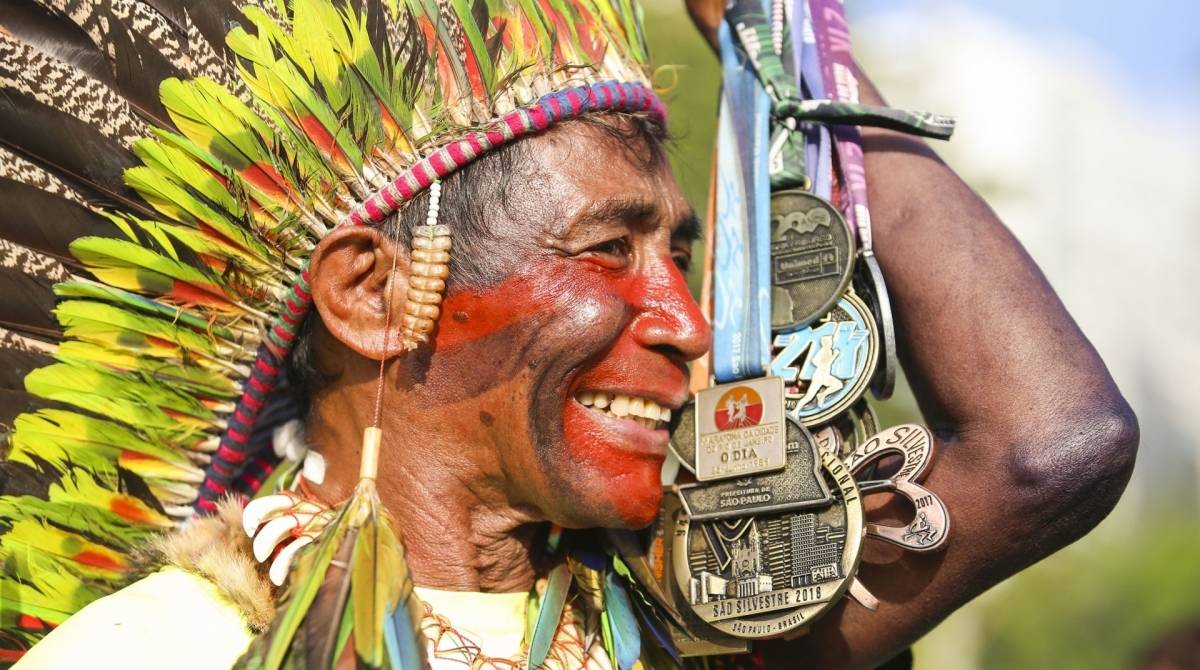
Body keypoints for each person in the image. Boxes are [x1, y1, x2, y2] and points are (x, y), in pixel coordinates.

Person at [0, 0, 1137, 668]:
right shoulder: (157, 651)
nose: (688, 323)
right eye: (608, 250)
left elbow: (1049, 447)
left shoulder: (690, 616)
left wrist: (771, 36)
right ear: (372, 296)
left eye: (681, 258)